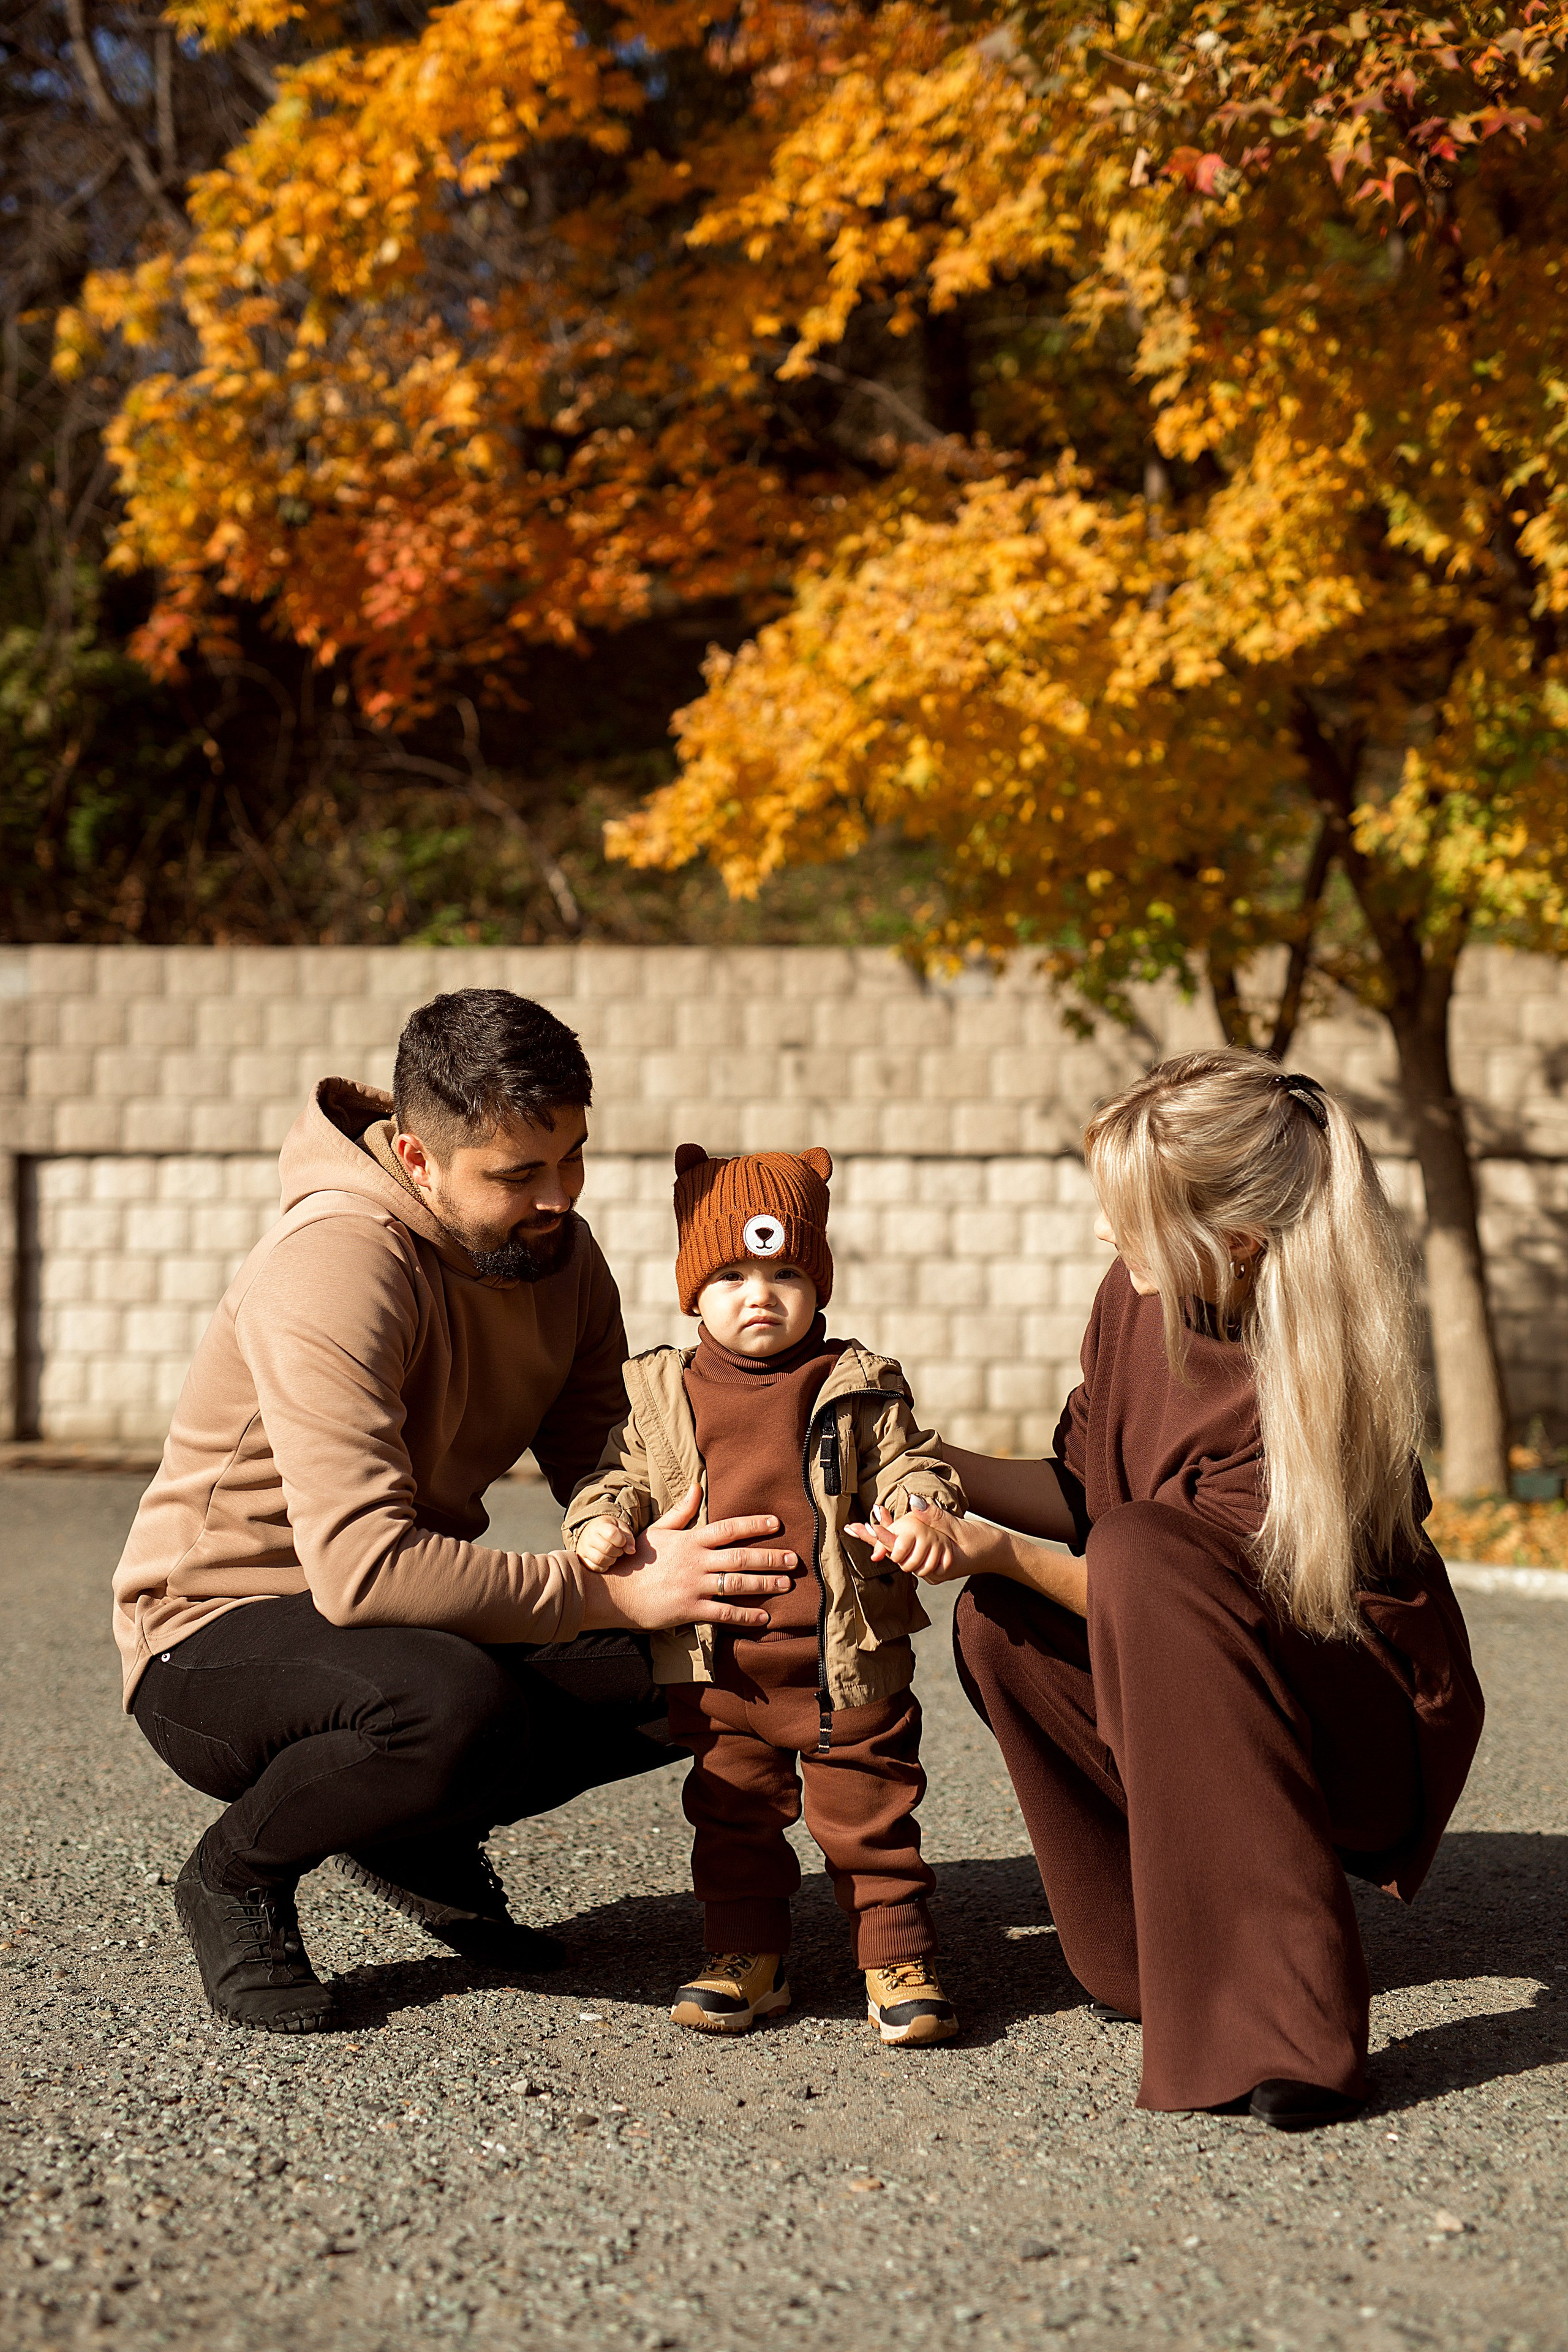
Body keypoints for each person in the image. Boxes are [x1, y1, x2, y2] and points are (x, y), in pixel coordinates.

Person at [113, 991, 799, 2035]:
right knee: (448, 1706)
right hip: (212, 1635)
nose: (559, 1196)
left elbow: (610, 1460)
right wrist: (615, 1589)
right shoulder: (334, 1264)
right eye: (518, 1174)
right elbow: (362, 1571)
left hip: (391, 1629)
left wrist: (717, 1541)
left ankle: (411, 1830)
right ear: (416, 1157)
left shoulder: (558, 1257)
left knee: (737, 1632)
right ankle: (235, 1877)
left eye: (571, 1158)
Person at [853, 1049, 1485, 2129]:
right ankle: (1155, 1959)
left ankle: (1289, 2031)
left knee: (1106, 1563)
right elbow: (1084, 1487)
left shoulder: (1317, 1375)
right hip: (1200, 1658)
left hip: (1352, 1728)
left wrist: (994, 1549)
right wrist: (919, 1459)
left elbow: (1163, 1582)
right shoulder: (1140, 1298)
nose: (1107, 1236)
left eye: (1130, 1216)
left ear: (1236, 1241)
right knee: (1002, 1627)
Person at [565, 1144, 965, 2045]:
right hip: (720, 1666)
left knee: (871, 1814)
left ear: (818, 1285)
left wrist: (919, 1507)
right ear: (692, 1290)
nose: (761, 1294)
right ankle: (748, 1954)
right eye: (734, 1274)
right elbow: (620, 1476)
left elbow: (911, 1463)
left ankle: (895, 1954)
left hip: (843, 1660)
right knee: (732, 1816)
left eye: (787, 1272)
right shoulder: (662, 1390)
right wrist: (601, 1522)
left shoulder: (856, 1383)